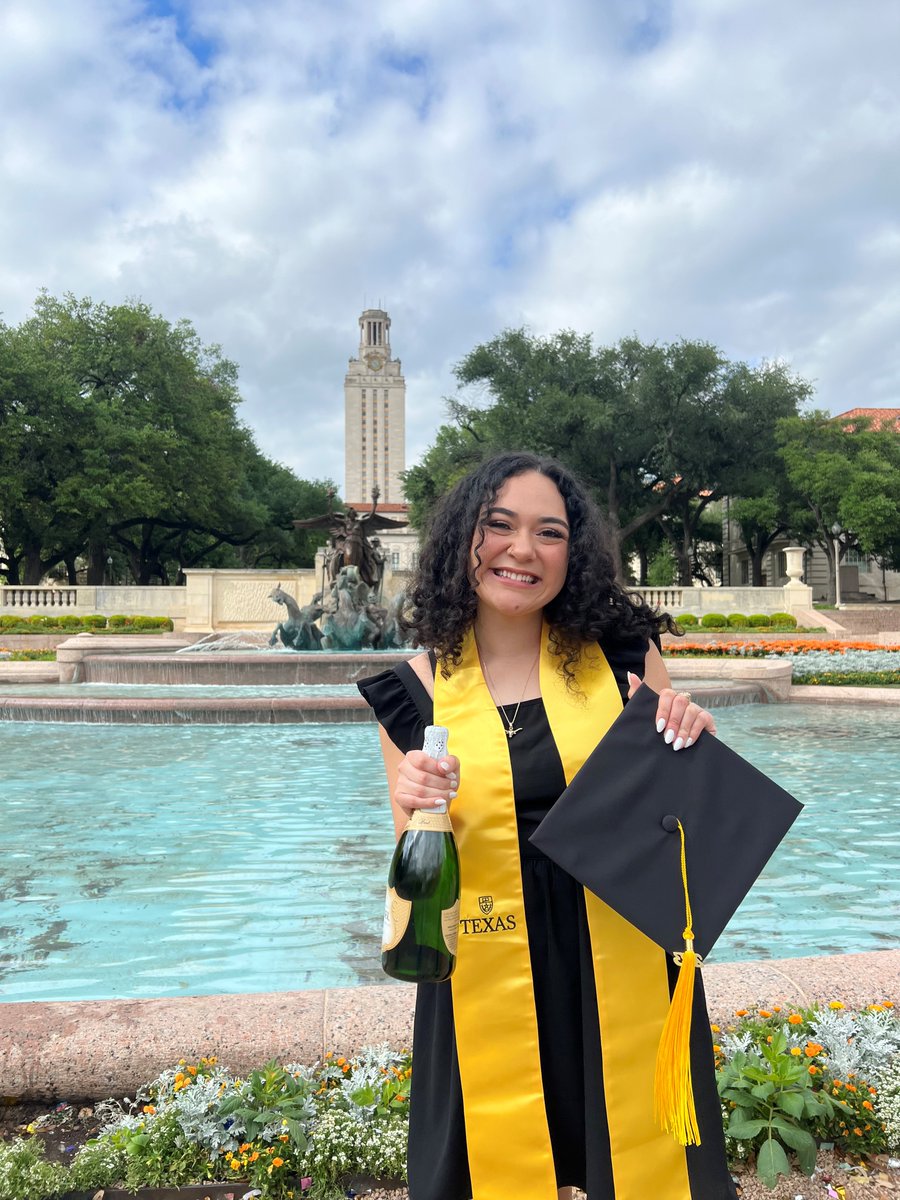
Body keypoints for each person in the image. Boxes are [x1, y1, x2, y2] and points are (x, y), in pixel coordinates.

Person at [358, 452, 737, 1200]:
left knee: (645, 1165)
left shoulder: (623, 661)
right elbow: (416, 865)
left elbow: (677, 823)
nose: (522, 550)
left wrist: (695, 741)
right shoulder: (413, 693)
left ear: (575, 552)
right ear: (462, 540)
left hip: (619, 957)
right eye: (498, 526)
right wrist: (413, 800)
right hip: (486, 970)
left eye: (549, 532)